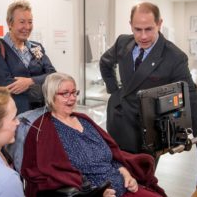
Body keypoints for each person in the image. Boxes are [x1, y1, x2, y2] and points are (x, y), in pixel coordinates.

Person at [99, 2, 197, 178]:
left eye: (149, 29)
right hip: (118, 123)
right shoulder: (123, 42)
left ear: (159, 24)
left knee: (141, 182)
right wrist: (115, 91)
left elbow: (193, 103)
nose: (143, 36)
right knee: (115, 177)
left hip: (146, 133)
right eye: (137, 29)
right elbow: (105, 63)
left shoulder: (174, 57)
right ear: (130, 25)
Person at [20, 72, 166, 197]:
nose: (72, 98)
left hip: (124, 185)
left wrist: (127, 175)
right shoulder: (44, 130)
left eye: (74, 92)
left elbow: (111, 157)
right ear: (51, 96)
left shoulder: (85, 121)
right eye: (65, 94)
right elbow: (50, 176)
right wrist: (96, 193)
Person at [0, 0, 56, 115]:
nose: (27, 27)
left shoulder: (36, 47)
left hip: (42, 112)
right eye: (22, 22)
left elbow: (53, 75)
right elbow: (3, 83)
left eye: (30, 22)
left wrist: (30, 81)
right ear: (10, 23)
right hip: (15, 115)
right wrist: (41, 85)